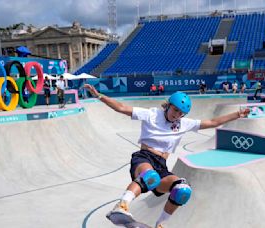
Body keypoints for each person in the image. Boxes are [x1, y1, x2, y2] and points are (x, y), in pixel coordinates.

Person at [83, 84, 250, 228]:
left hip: (162, 166)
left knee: (182, 190)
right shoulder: (151, 114)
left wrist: (237, 114)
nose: (176, 115)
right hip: (144, 158)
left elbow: (212, 122)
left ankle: (161, 224)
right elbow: (121, 107)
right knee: (150, 177)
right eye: (175, 110)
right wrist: (99, 96)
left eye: (180, 113)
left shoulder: (183, 124)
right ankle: (122, 206)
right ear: (168, 105)